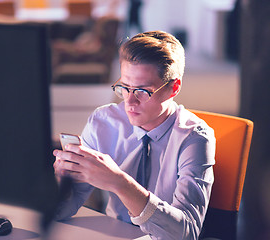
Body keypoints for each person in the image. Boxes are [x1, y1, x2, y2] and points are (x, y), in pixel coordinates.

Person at [53, 31, 216, 239]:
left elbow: (186, 233)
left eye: (143, 91)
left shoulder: (194, 138)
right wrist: (62, 181)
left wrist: (119, 182)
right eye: (125, 87)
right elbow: (61, 211)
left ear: (173, 88)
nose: (129, 102)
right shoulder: (103, 122)